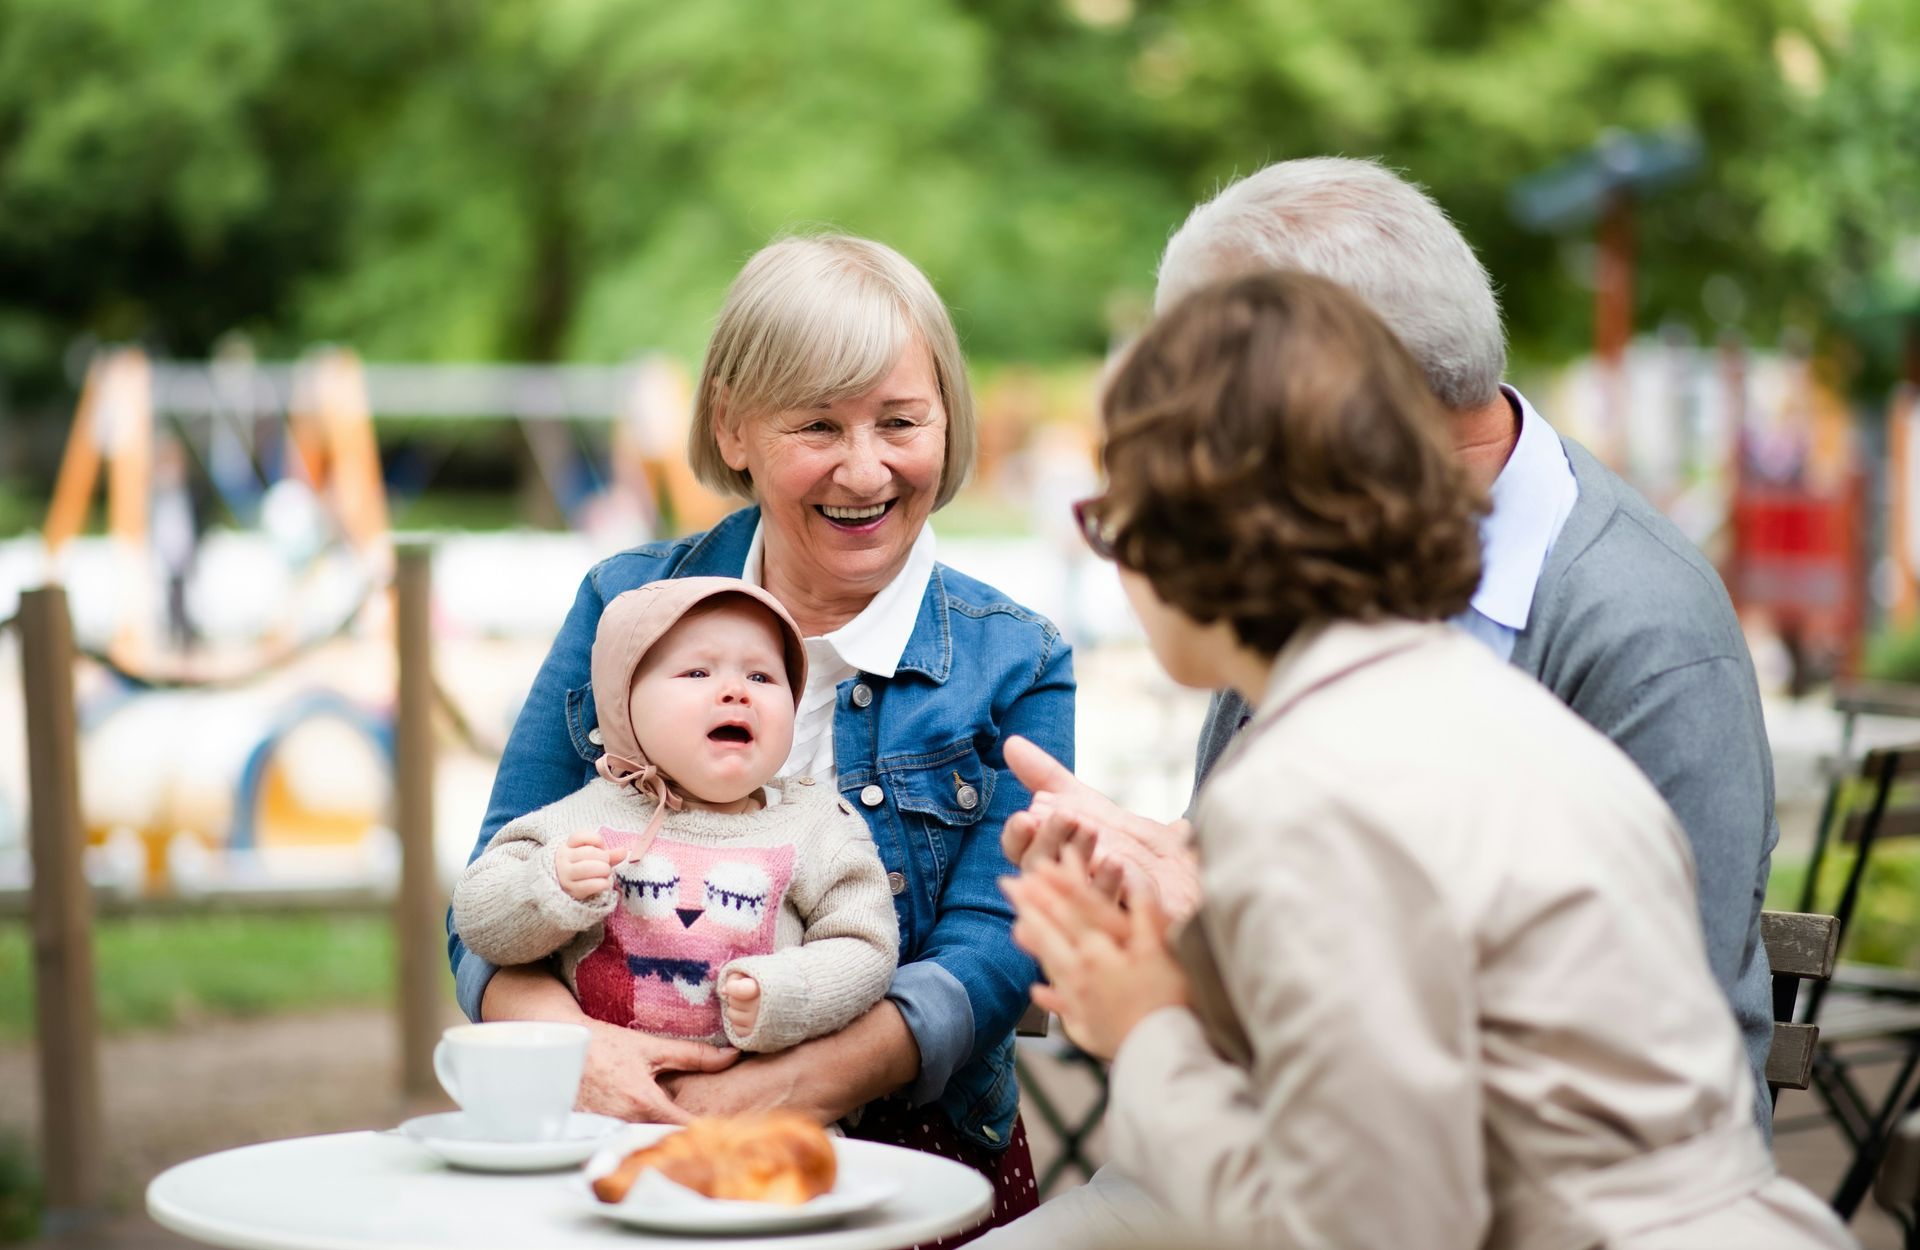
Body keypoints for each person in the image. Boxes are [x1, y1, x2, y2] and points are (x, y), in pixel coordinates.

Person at [1003, 270, 1851, 1249]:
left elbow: (1366, 1227)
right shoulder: (1476, 700)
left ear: (1198, 531)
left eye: (1113, 514)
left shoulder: (1305, 780)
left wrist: (1146, 1030)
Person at [447, 233, 1074, 1241]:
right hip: (617, 1144)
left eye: (901, 421)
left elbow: (993, 950)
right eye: (818, 423)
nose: (865, 467)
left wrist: (791, 1084)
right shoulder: (624, 604)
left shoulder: (1020, 660)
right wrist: (580, 1054)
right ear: (734, 425)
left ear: (948, 424)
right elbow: (493, 888)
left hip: (907, 1159)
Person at [451, 578, 897, 1053]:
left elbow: (866, 943)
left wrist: (789, 991)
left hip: (760, 1113)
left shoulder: (817, 827)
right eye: (697, 674)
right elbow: (476, 916)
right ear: (623, 704)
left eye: (762, 677)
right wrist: (547, 887)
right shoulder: (586, 816)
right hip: (599, 1113)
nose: (736, 692)